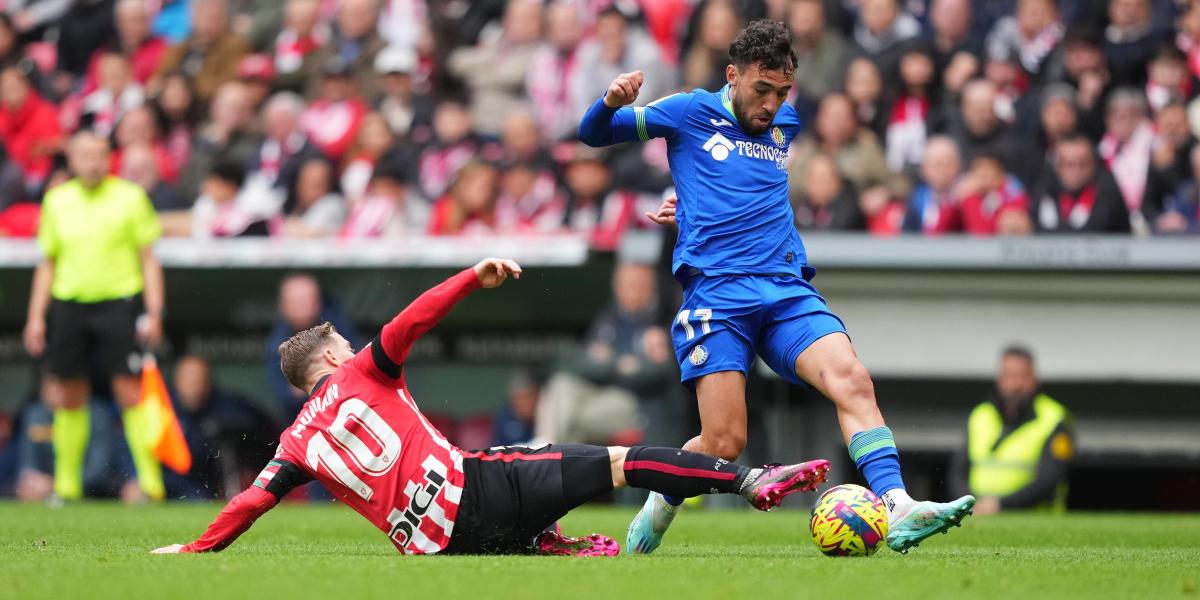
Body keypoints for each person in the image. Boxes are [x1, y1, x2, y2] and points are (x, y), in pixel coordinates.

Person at [578, 20, 974, 555]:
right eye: (761, 90)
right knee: (724, 442)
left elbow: (744, 190)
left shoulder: (785, 121)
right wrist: (609, 101)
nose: (770, 104)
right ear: (732, 75)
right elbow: (593, 134)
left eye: (781, 92)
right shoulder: (689, 111)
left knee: (852, 379)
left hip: (785, 289)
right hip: (718, 297)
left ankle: (897, 506)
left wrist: (694, 208)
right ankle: (663, 497)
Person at [150, 258, 831, 556]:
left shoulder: (295, 443)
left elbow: (251, 505)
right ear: (329, 358)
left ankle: (543, 543)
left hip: (438, 548)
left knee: (527, 499)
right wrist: (472, 278)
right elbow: (413, 318)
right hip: (478, 492)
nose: (353, 343)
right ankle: (749, 481)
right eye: (343, 340)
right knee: (622, 463)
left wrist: (196, 545)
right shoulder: (361, 372)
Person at [23, 131, 166, 502]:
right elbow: (47, 263)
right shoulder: (56, 200)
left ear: (109, 158)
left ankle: (151, 484)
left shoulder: (130, 197)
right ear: (71, 159)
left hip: (119, 303)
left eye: (99, 155)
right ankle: (66, 486)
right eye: (84, 155)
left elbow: (148, 260)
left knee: (130, 391)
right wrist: (36, 316)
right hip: (69, 305)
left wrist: (153, 311)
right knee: (68, 393)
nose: (92, 162)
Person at [534, 262, 673, 447]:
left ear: (651, 289)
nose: (633, 291)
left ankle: (555, 456)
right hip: (601, 392)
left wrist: (607, 361)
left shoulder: (661, 318)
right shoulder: (608, 318)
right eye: (627, 285)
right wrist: (621, 364)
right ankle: (559, 456)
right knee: (561, 384)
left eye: (640, 285)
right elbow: (581, 364)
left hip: (638, 403)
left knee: (571, 418)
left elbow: (655, 373)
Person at [950, 346, 1074, 514]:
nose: (1015, 385)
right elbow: (958, 472)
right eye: (1009, 376)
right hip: (979, 518)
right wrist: (970, 503)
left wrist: (1000, 505)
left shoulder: (1054, 418)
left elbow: (1049, 479)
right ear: (999, 379)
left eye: (1022, 376)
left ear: (1035, 379)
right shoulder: (980, 416)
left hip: (1035, 522)